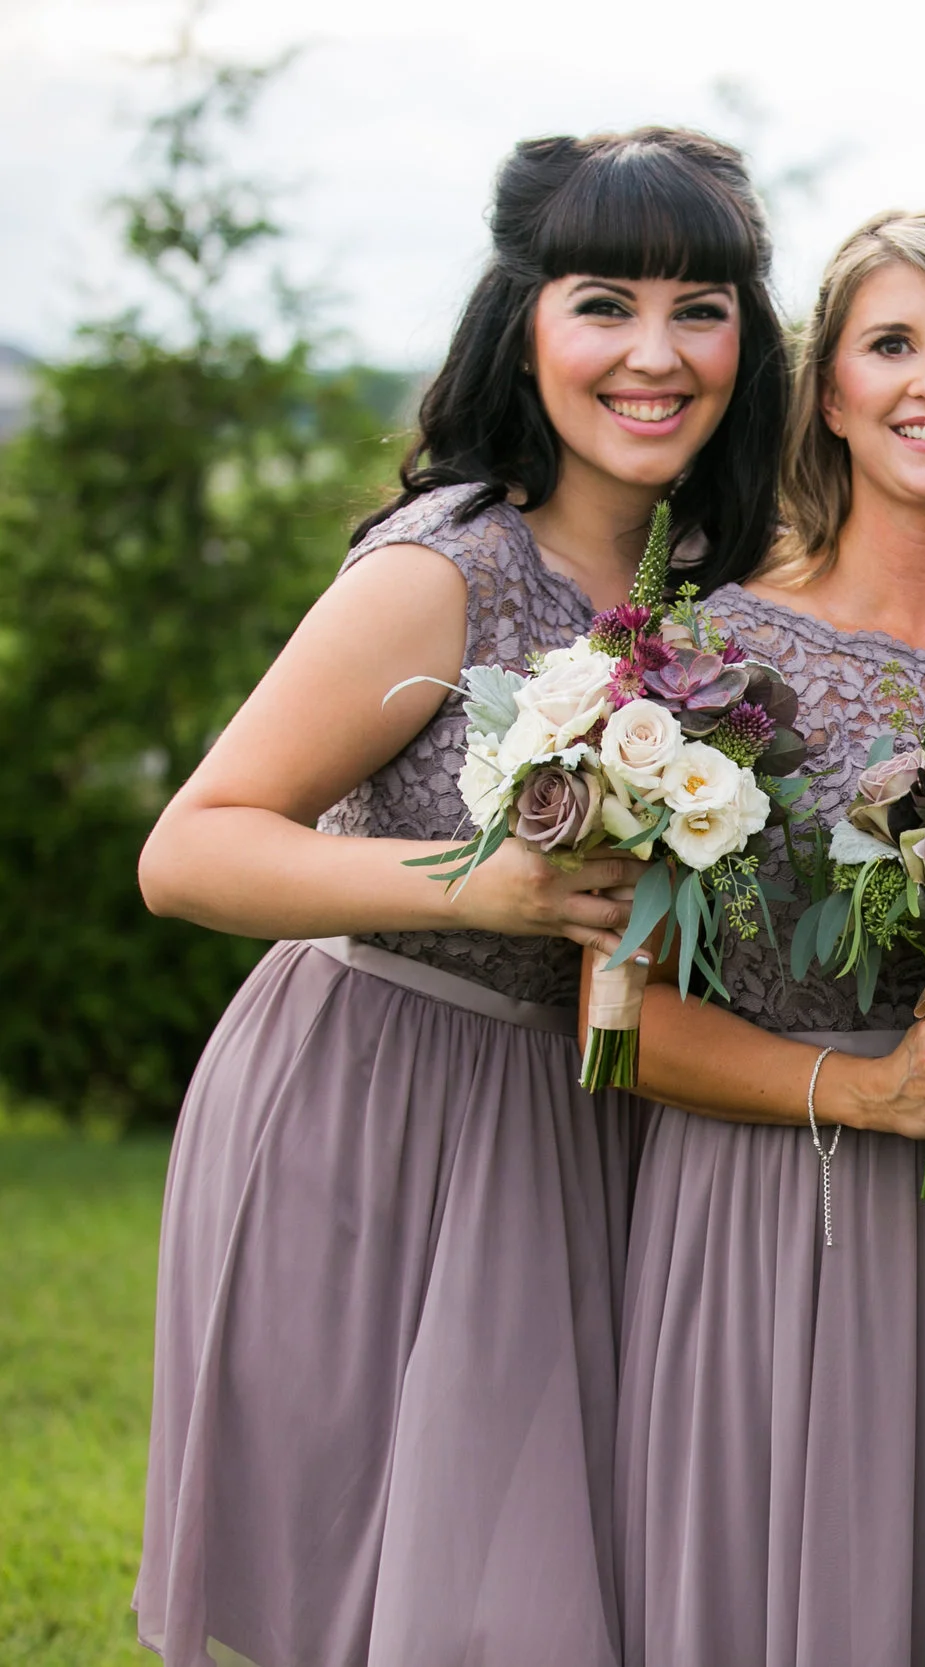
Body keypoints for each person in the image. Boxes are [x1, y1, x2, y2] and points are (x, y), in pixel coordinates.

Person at [132, 128, 786, 1666]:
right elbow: (190, 848)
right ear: (526, 323)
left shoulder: (719, 579)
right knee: (408, 1599)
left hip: (593, 1115)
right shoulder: (445, 570)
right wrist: (477, 883)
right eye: (605, 304)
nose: (655, 353)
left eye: (698, 309)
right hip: (379, 1104)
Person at [608, 209, 925, 1667]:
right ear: (830, 391)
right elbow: (616, 1018)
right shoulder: (714, 658)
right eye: (892, 344)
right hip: (770, 1209)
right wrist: (866, 1091)